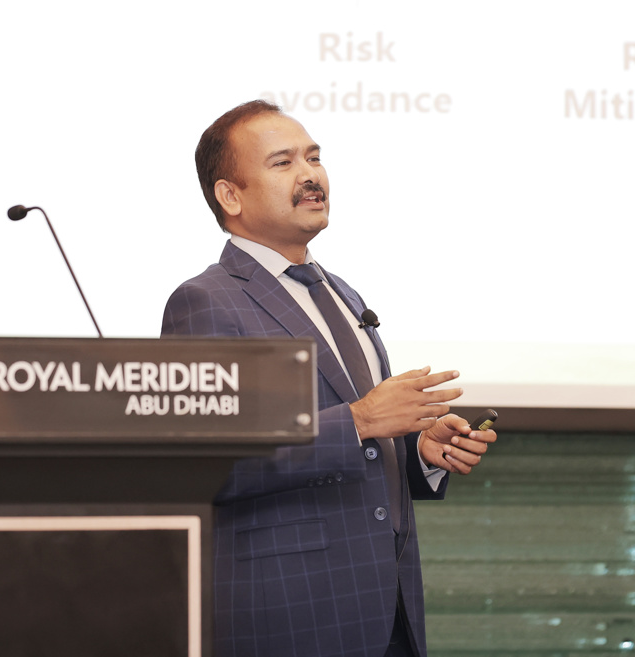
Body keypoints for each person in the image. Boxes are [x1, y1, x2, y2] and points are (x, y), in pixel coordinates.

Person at [161, 100, 497, 657]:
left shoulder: (342, 293)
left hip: (388, 609)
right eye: (283, 162)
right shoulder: (206, 301)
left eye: (314, 158)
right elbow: (206, 465)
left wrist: (418, 452)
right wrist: (361, 420)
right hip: (291, 615)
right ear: (230, 195)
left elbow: (365, 448)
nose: (310, 174)